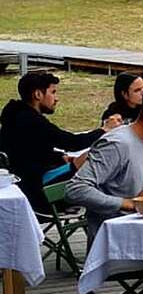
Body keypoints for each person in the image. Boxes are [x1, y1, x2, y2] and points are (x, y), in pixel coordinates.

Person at [66, 81, 143, 243]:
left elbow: (142, 187)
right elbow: (75, 189)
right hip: (114, 240)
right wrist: (128, 203)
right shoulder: (117, 144)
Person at [0, 72, 121, 213]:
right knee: (92, 156)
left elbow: (28, 150)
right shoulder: (31, 120)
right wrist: (104, 130)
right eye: (53, 92)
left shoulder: (15, 116)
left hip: (24, 182)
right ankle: (114, 202)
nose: (56, 99)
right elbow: (71, 142)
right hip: (38, 190)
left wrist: (59, 157)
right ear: (38, 94)